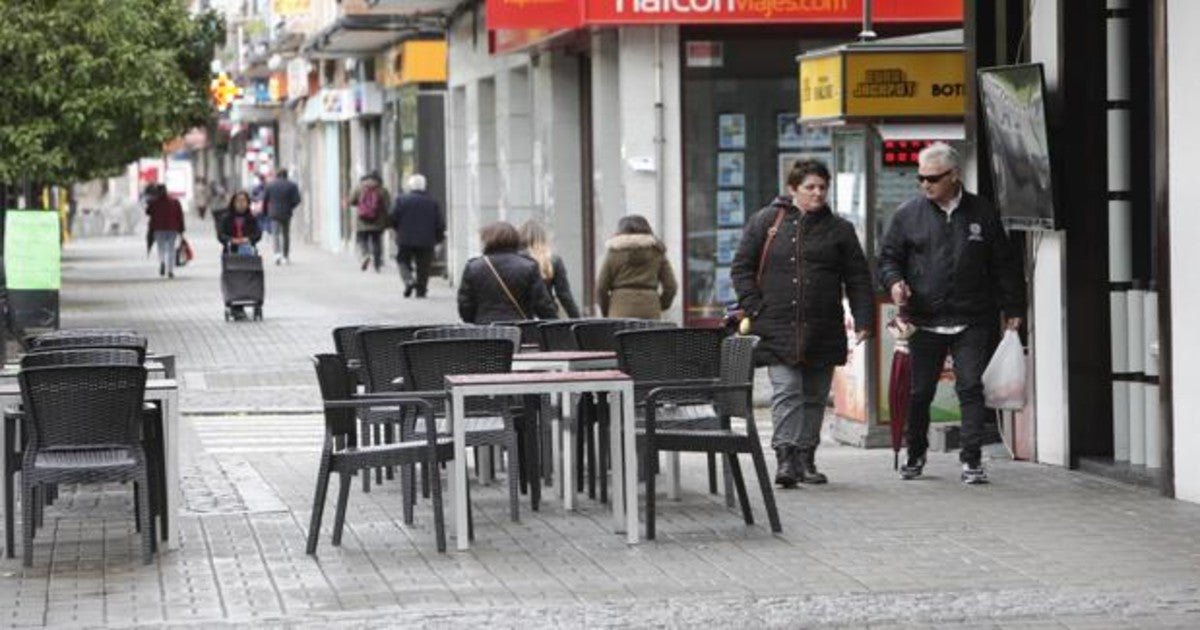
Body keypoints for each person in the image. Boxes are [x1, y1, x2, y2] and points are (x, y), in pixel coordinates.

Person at [877, 142, 1027, 485]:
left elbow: (1004, 263)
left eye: (933, 178)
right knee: (919, 391)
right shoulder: (908, 214)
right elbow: (888, 259)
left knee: (971, 387)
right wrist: (895, 281)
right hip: (924, 319)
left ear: (954, 175)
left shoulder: (982, 212)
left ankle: (971, 459)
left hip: (973, 316)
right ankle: (916, 452)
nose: (925, 185)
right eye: (920, 178)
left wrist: (1014, 307)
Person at [731, 159, 874, 487]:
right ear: (793, 188)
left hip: (823, 326)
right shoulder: (767, 222)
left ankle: (806, 458)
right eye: (810, 187)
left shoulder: (840, 229)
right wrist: (754, 306)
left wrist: (864, 318)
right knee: (787, 390)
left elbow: (858, 278)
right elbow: (741, 267)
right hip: (777, 325)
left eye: (823, 187)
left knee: (814, 395)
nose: (817, 193)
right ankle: (785, 457)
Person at [458, 221, 558, 324]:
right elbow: (542, 305)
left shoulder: (473, 267)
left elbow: (465, 306)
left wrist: (477, 320)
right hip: (520, 329)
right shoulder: (528, 266)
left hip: (485, 330)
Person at [595, 215, 677, 319]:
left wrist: (607, 309)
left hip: (619, 309)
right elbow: (671, 286)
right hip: (650, 309)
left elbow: (601, 288)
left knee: (622, 335)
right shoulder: (657, 252)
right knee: (649, 335)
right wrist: (660, 305)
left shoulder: (613, 253)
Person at [389, 173, 444, 297]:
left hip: (405, 238)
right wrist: (439, 239)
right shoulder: (432, 202)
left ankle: (408, 280)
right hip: (426, 240)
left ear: (410, 186)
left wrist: (397, 230)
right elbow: (439, 223)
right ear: (424, 186)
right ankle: (421, 290)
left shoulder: (401, 200)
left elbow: (392, 218)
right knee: (423, 265)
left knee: (402, 260)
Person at [519, 219, 582, 318]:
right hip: (547, 316)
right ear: (544, 238)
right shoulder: (553, 260)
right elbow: (564, 295)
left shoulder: (515, 261)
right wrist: (577, 319)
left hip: (522, 316)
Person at [217, 191, 263, 321]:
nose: (241, 204)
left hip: (248, 253)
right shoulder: (226, 218)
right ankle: (236, 307)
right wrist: (231, 240)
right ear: (233, 202)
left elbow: (258, 234)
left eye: (244, 201)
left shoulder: (252, 218)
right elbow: (221, 235)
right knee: (233, 279)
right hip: (231, 253)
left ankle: (249, 300)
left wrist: (248, 239)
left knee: (247, 278)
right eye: (238, 201)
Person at [348, 171, 391, 272]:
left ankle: (365, 254)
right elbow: (387, 205)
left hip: (362, 220)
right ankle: (377, 264)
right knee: (376, 241)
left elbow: (351, 201)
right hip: (378, 220)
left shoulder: (359, 188)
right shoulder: (382, 190)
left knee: (362, 239)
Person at [146, 184, 185, 279]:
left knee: (161, 247)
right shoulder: (175, 202)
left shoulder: (154, 202)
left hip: (158, 228)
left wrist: (150, 202)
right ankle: (170, 270)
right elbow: (180, 216)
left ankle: (162, 262)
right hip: (172, 228)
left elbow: (148, 212)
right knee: (171, 249)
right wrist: (182, 229)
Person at [263, 169, 302, 265]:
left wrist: (265, 212)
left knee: (275, 234)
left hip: (274, 213)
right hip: (286, 213)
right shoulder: (292, 185)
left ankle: (277, 254)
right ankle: (285, 255)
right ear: (286, 175)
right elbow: (297, 200)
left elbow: (265, 200)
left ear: (277, 175)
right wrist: (290, 206)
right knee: (286, 234)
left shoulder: (270, 185)